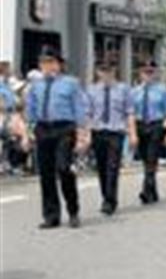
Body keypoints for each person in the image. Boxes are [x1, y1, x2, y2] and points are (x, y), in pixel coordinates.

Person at [25, 46, 86, 228]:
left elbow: (79, 109)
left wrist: (82, 135)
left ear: (59, 64)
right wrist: (28, 133)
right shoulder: (35, 86)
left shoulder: (71, 83)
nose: (47, 66)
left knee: (64, 168)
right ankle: (51, 216)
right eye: (43, 63)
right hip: (43, 129)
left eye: (51, 62)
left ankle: (73, 211)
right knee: (46, 173)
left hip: (64, 129)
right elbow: (31, 110)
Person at [86, 62, 136, 215]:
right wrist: (86, 135)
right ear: (98, 72)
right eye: (103, 70)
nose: (106, 74)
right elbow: (87, 114)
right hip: (98, 131)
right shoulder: (91, 90)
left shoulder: (124, 89)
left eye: (109, 70)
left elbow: (130, 113)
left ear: (114, 71)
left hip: (116, 132)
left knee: (113, 166)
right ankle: (106, 196)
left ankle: (110, 200)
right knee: (101, 167)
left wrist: (132, 133)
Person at [133, 60, 166, 204]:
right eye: (145, 72)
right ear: (140, 74)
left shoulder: (162, 90)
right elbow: (131, 113)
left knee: (152, 157)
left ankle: (145, 190)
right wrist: (131, 132)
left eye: (150, 72)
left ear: (155, 74)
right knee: (145, 159)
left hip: (156, 126)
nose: (148, 75)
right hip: (140, 126)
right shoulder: (135, 91)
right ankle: (153, 191)